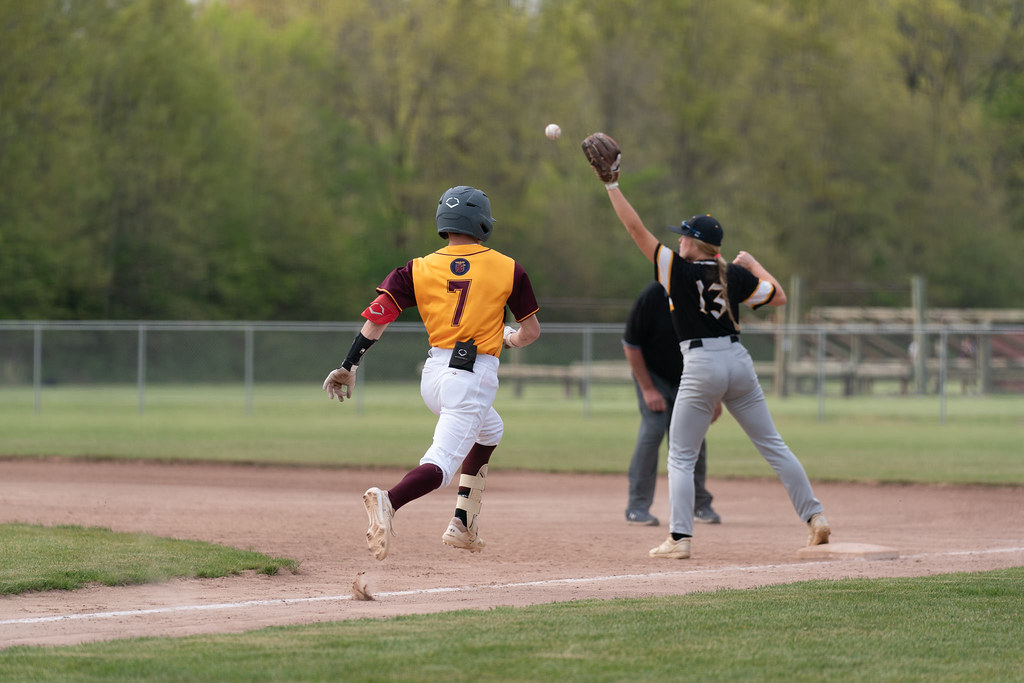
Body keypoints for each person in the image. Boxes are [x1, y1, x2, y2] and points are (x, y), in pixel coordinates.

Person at [582, 133, 830, 559]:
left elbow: (634, 229)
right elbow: (780, 296)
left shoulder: (675, 270)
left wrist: (612, 185)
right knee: (773, 445)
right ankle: (816, 518)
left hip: (699, 363)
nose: (677, 241)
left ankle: (680, 539)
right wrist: (752, 264)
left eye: (683, 236)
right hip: (738, 361)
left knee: (680, 455)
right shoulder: (733, 274)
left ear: (694, 243)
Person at [323, 186, 541, 561]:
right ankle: (388, 500)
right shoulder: (508, 268)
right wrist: (509, 340)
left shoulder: (417, 268)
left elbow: (378, 317)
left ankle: (463, 524)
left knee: (491, 430)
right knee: (440, 466)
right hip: (472, 377)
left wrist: (348, 365)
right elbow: (531, 332)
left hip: (435, 375)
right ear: (483, 222)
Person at [623, 280, 722, 527]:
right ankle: (637, 506)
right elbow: (631, 345)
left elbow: (717, 349)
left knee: (693, 433)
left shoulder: (704, 296)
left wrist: (715, 395)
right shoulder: (653, 295)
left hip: (689, 374)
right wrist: (648, 388)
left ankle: (700, 504)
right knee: (654, 428)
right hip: (652, 374)